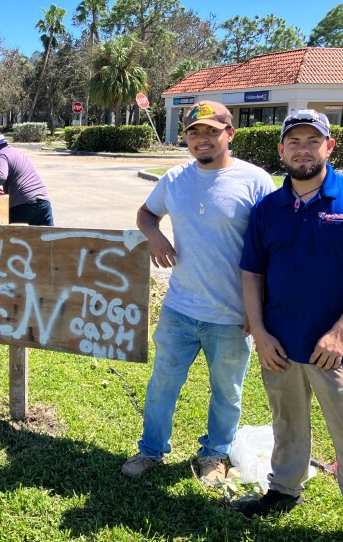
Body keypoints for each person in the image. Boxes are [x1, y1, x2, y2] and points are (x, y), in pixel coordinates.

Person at [236, 110, 343, 542]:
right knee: (287, 424)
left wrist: (340, 331)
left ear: (329, 147)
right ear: (281, 150)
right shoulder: (268, 208)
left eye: (312, 141)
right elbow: (252, 274)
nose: (303, 149)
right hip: (280, 344)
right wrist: (260, 333)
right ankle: (284, 489)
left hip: (336, 349)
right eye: (295, 142)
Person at [121, 101, 275, 484]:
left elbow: (274, 247)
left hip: (232, 316)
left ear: (229, 134)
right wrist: (155, 236)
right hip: (179, 308)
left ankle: (214, 455)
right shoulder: (174, 179)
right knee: (162, 385)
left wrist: (257, 313)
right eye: (193, 132)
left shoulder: (255, 181)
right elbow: (145, 213)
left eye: (210, 131)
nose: (201, 139)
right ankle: (151, 450)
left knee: (227, 393)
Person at [0, 129, 54, 226]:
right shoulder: (17, 153)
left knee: (13, 239)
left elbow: (0, 176)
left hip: (24, 206)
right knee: (48, 239)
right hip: (44, 203)